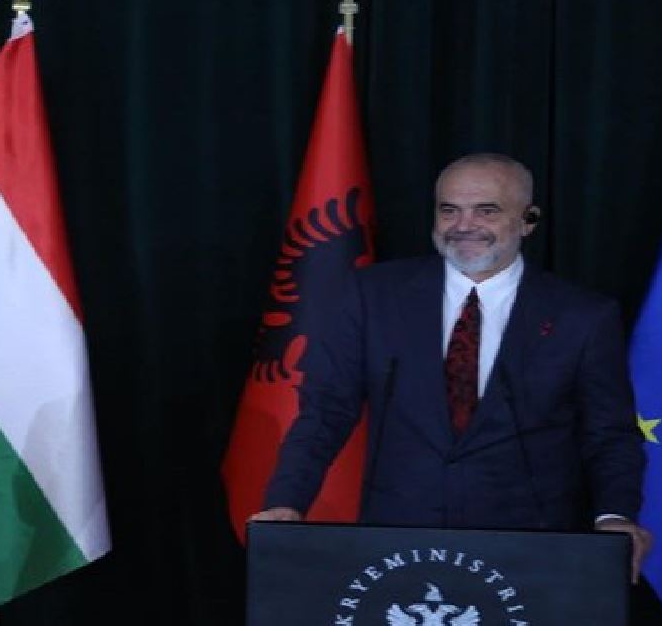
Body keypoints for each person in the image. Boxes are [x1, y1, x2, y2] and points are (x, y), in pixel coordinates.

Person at [253, 153, 652, 579]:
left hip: (531, 545)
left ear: (528, 220)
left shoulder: (582, 316)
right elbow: (325, 412)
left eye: (486, 210)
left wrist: (615, 516)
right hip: (398, 539)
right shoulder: (373, 296)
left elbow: (608, 433)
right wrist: (286, 502)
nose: (464, 225)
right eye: (449, 210)